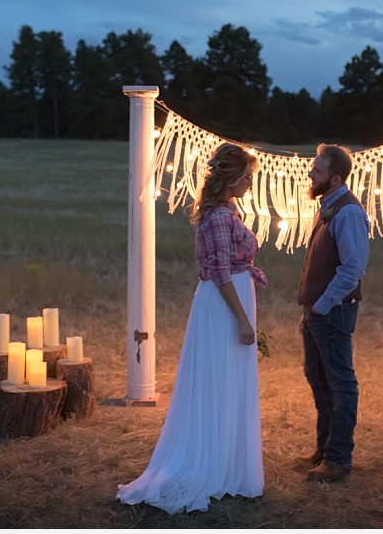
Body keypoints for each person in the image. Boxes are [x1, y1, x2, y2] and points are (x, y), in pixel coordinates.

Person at [116, 142, 266, 514]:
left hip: (233, 301)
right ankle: (208, 465)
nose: (250, 184)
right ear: (230, 177)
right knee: (216, 384)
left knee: (231, 384)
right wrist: (243, 321)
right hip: (222, 308)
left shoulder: (229, 209)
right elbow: (218, 273)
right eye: (247, 178)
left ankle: (229, 464)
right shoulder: (217, 217)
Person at [297, 143, 370, 482]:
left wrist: (321, 305)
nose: (311, 174)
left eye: (318, 171)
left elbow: (353, 267)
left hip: (333, 311)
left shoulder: (349, 212)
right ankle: (324, 450)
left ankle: (339, 458)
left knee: (341, 383)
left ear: (336, 177)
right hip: (317, 312)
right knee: (318, 378)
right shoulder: (327, 205)